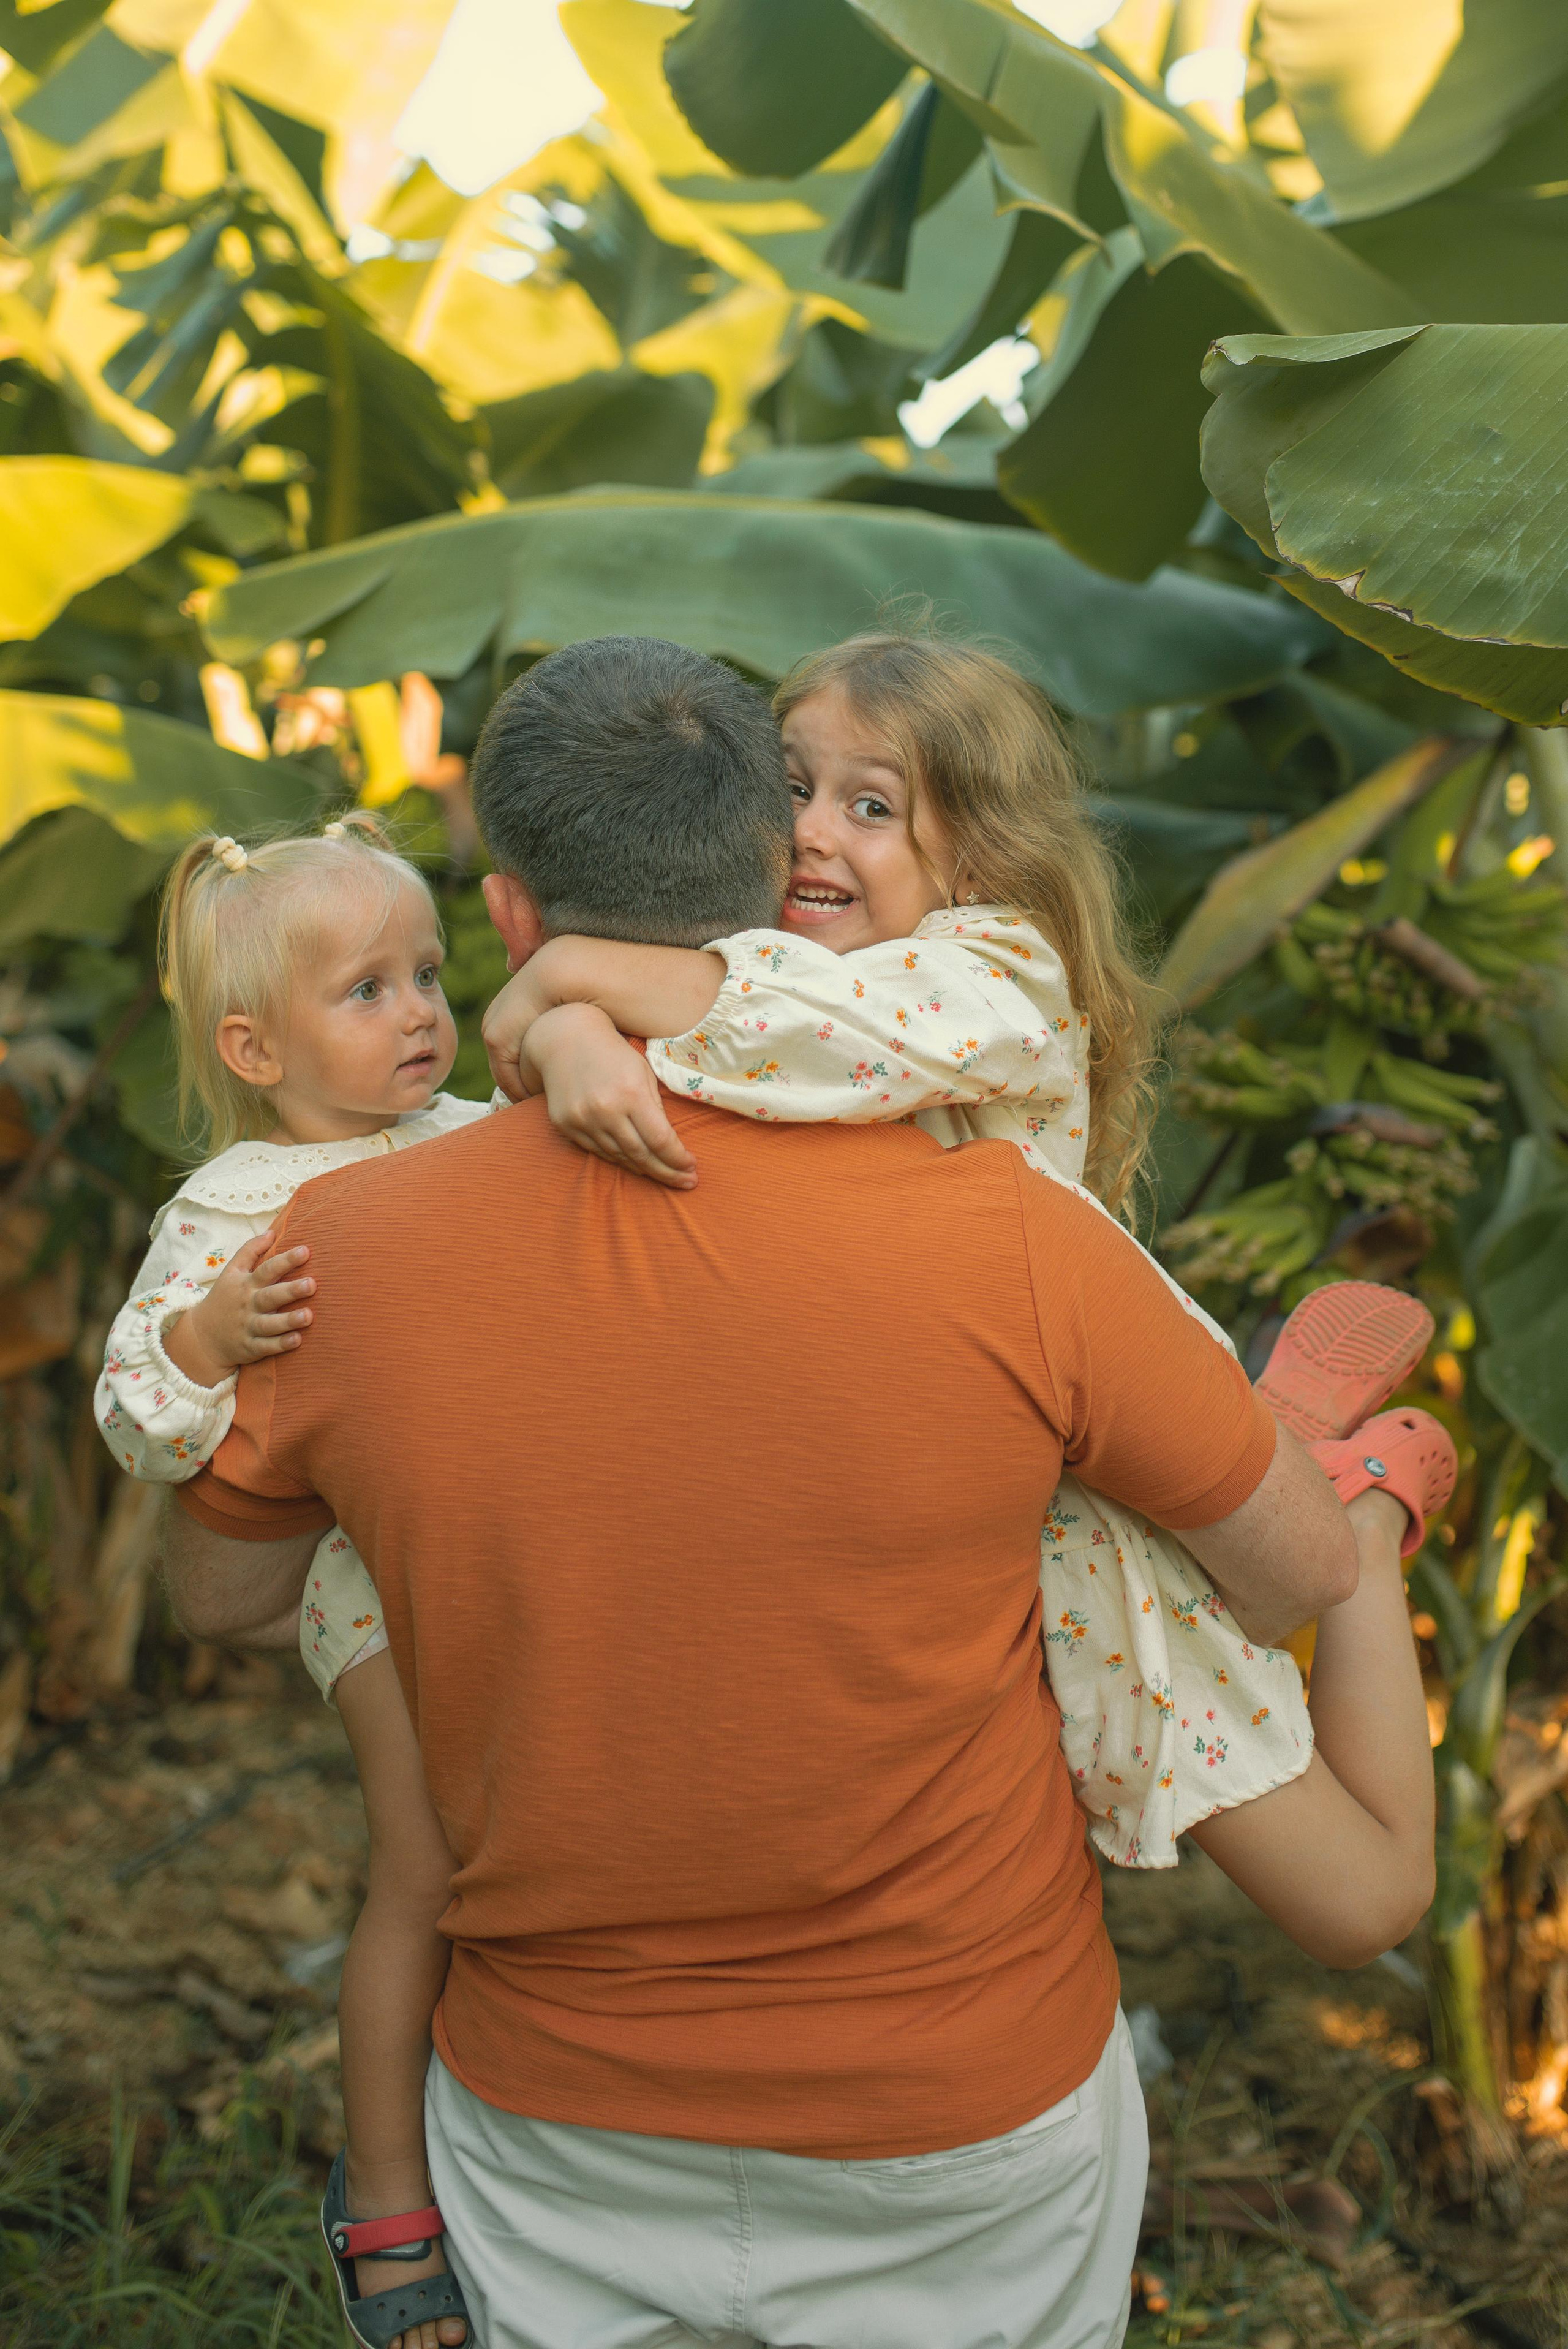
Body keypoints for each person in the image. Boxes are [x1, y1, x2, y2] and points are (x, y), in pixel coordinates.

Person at [167, 634, 1359, 2349]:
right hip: (958, 2120)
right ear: (760, 870)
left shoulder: (324, 1253)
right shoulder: (1015, 1233)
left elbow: (220, 1596)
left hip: (558, 2128)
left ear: (505, 915)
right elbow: (1297, 1571)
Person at [477, 627, 1451, 1897]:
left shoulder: (996, 976)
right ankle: (1281, 1434)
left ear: (979, 860)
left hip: (1087, 1486)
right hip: (927, 1499)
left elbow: (807, 1028)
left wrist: (560, 980)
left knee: (1356, 1895)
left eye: (871, 807)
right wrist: (571, 1031)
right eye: (790, 787)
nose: (811, 831)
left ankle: (1359, 1505)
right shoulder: (731, 980)